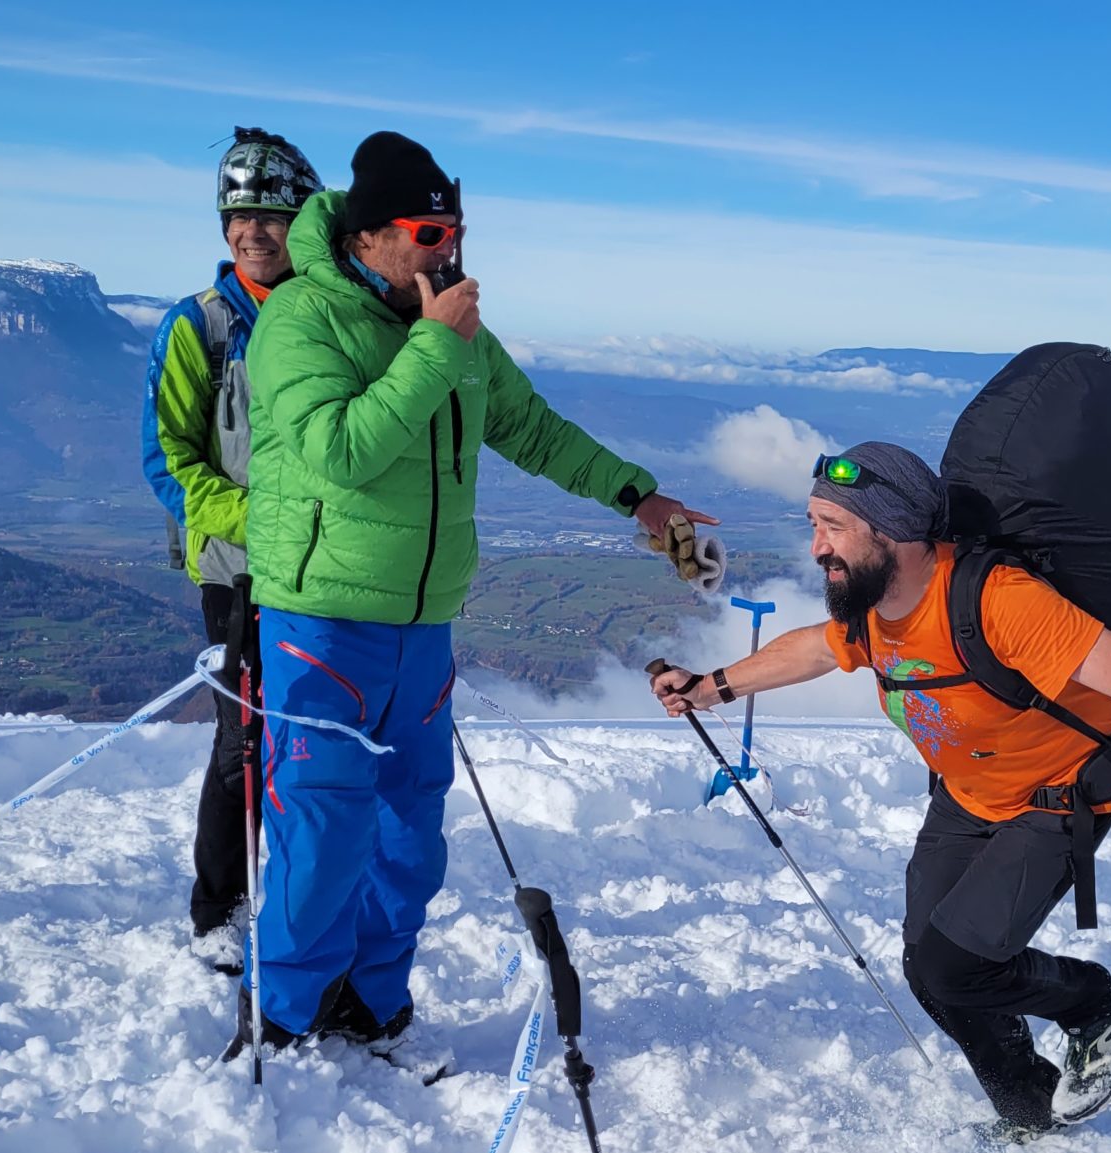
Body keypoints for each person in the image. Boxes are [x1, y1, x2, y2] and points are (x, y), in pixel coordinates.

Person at [234, 131, 718, 1068]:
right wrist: (430, 345)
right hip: (322, 620)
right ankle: (285, 1017)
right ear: (368, 235)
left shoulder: (451, 328)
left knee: (409, 832)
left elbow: (533, 429)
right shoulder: (302, 318)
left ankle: (373, 1003)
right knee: (323, 826)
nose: (447, 248)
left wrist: (639, 496)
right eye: (428, 232)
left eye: (456, 229)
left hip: (422, 624)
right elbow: (340, 452)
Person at [650, 441, 1111, 1139]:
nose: (817, 548)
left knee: (955, 965)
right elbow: (815, 647)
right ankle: (1031, 1113)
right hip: (966, 796)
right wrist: (710, 687)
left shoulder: (998, 601)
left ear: (894, 529)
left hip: (1055, 798)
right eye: (813, 525)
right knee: (931, 973)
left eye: (833, 527)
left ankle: (1096, 1003)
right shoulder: (874, 607)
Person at [140, 127, 324, 971]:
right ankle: (219, 907)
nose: (253, 231)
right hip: (238, 570)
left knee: (315, 737)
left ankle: (306, 894)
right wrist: (264, 521)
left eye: (271, 216)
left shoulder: (327, 317)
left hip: (325, 569)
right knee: (241, 740)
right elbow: (169, 461)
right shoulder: (199, 327)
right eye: (238, 216)